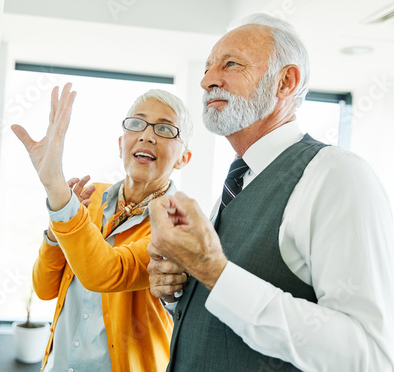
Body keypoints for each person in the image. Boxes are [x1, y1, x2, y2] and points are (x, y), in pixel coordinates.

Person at [146, 13, 394, 372]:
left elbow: (370, 356)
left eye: (230, 64)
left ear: (285, 82)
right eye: (207, 67)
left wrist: (213, 270)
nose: (207, 80)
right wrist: (179, 292)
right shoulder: (238, 182)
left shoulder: (336, 175)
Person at [11, 83, 193, 372]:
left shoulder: (178, 225)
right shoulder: (90, 198)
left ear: (184, 158)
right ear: (121, 144)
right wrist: (56, 230)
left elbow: (106, 272)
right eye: (137, 124)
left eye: (165, 129)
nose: (147, 135)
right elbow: (44, 289)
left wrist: (56, 190)